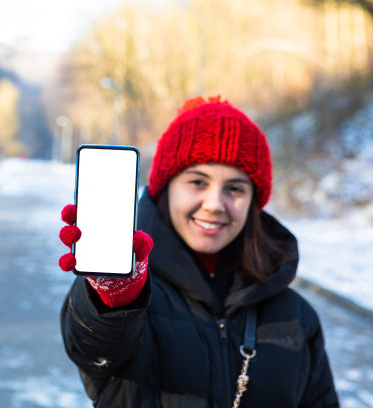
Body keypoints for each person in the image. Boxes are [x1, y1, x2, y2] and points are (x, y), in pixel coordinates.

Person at [58, 96, 339, 407]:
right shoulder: (133, 298)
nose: (215, 204)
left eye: (235, 188)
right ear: (166, 188)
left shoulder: (296, 317)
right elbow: (95, 349)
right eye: (197, 182)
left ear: (253, 202)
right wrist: (113, 301)